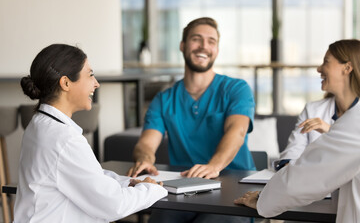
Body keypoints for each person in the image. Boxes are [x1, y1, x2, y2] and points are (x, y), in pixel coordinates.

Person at [14, 44, 167, 222]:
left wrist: (128, 182)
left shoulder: (39, 124)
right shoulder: (64, 139)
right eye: (90, 75)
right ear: (65, 83)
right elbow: (114, 205)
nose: (96, 83)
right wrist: (151, 188)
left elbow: (90, 176)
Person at [128, 17, 255, 223]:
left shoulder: (236, 89)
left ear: (217, 49)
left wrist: (214, 166)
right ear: (183, 45)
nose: (204, 46)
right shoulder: (164, 99)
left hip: (234, 191)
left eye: (211, 41)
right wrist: (145, 159)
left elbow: (237, 131)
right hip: (182, 191)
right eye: (197, 39)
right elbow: (146, 142)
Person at [234, 39, 360, 222]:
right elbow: (297, 155)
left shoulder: (354, 121)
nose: (318, 69)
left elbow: (309, 175)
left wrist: (263, 200)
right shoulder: (316, 110)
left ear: (347, 68)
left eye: (326, 61)